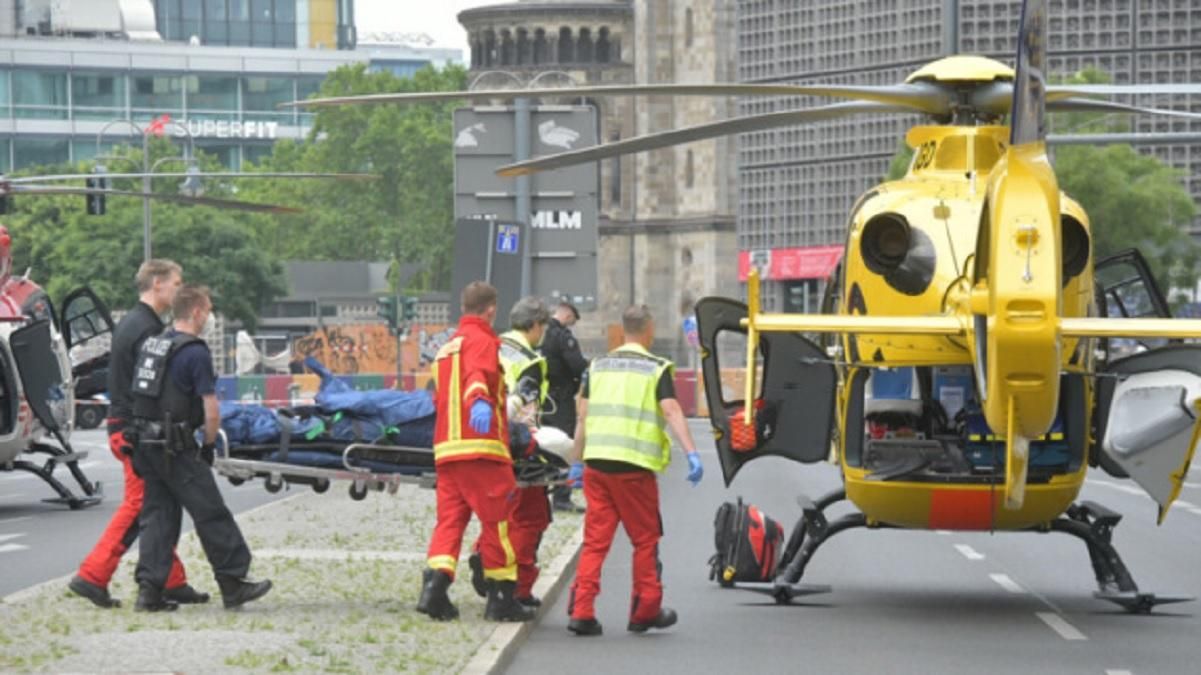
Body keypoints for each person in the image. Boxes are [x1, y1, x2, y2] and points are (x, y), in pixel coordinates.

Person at [70, 260, 208, 609]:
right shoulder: (147, 330)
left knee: (158, 505)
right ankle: (93, 575)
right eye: (177, 282)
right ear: (158, 283)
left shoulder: (135, 323)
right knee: (142, 507)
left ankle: (172, 580)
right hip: (136, 431)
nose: (180, 289)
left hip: (126, 427)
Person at [129, 285, 272, 612]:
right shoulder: (194, 352)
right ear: (195, 312)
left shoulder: (154, 344)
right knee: (211, 513)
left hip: (147, 444)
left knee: (158, 515)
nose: (209, 316)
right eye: (207, 310)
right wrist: (208, 446)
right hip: (176, 447)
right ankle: (233, 582)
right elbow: (211, 409)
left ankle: (149, 592)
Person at [566, 305, 704, 637]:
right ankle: (645, 610)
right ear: (649, 330)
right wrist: (692, 453)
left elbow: (582, 417)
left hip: (597, 464)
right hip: (633, 468)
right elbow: (670, 410)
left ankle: (582, 611)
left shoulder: (596, 367)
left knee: (596, 541)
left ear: (621, 330)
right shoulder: (655, 369)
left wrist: (576, 461)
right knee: (644, 540)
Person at [417, 282, 534, 623]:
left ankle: (434, 588)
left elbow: (439, 398)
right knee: (499, 522)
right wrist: (481, 402)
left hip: (447, 449)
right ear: (491, 309)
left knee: (450, 522)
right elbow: (477, 377)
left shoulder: (445, 349)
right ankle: (501, 599)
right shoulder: (482, 341)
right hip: (480, 447)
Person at [468, 296, 552, 608]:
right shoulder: (530, 360)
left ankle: (482, 552)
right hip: (513, 445)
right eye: (541, 327)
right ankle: (518, 587)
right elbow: (522, 407)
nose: (541, 333)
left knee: (497, 511)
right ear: (534, 325)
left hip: (473, 438)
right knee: (531, 517)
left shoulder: (489, 343)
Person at [539, 301, 588, 512]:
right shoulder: (563, 337)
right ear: (567, 315)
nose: (571, 326)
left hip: (541, 398)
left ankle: (540, 491)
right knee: (564, 445)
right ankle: (561, 497)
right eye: (572, 321)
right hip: (561, 399)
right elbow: (577, 365)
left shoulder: (539, 332)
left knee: (542, 445)